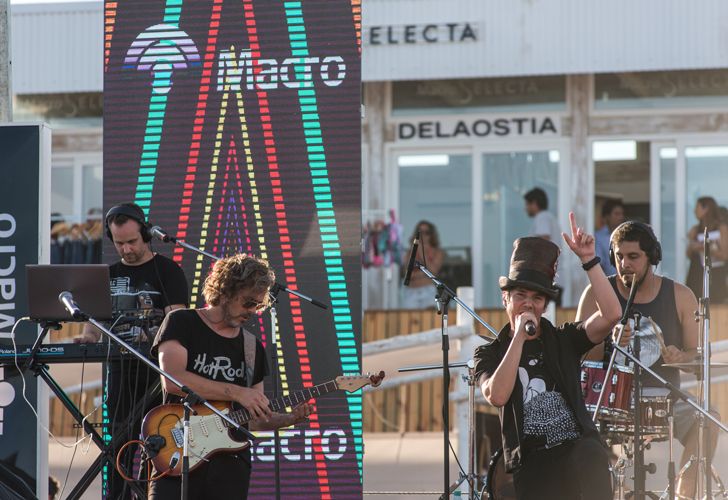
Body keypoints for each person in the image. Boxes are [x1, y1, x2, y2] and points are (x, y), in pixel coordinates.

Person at [474, 213, 621, 500]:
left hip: (575, 449)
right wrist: (517, 337)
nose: (528, 302)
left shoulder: (564, 338)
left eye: (537, 298)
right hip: (532, 460)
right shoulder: (489, 352)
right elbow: (497, 395)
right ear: (505, 298)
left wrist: (590, 261)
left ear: (544, 305)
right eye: (520, 295)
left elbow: (612, 315)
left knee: (591, 452)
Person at [149, 253, 313, 499]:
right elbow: (172, 380)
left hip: (229, 468)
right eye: (248, 302)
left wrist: (288, 419)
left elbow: (252, 419)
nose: (253, 311)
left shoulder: (251, 346)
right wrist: (236, 391)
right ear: (225, 291)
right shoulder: (181, 321)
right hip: (177, 455)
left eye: (258, 305)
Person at [577, 220, 718, 499]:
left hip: (665, 402)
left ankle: (683, 493)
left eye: (633, 257)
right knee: (571, 427)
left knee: (709, 419)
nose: (624, 264)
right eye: (618, 257)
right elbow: (579, 355)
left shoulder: (680, 295)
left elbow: (697, 356)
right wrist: (608, 337)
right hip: (608, 401)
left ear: (652, 257)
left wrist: (681, 356)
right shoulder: (596, 293)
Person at [75, 202, 189, 499]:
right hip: (120, 369)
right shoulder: (106, 275)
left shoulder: (168, 272)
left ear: (147, 236)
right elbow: (94, 324)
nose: (126, 249)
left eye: (132, 242)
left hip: (158, 371)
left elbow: (177, 321)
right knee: (118, 444)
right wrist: (88, 338)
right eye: (119, 243)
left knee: (158, 442)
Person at [685, 196, 728, 303]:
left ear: (706, 209)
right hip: (697, 273)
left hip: (715, 274)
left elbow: (724, 255)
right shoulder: (695, 229)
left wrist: (705, 247)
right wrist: (692, 245)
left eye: (697, 207)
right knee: (694, 303)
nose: (695, 211)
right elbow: (689, 255)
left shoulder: (721, 228)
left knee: (715, 303)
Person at [401, 220, 445, 309]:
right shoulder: (410, 252)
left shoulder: (437, 252)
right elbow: (407, 275)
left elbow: (433, 271)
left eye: (426, 232)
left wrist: (421, 251)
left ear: (431, 235)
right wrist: (423, 274)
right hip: (411, 291)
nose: (423, 235)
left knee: (431, 318)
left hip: (428, 290)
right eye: (420, 232)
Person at [594, 199, 625, 276]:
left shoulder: (627, 235)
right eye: (617, 214)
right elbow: (598, 264)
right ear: (607, 216)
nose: (621, 217)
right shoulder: (598, 237)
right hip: (609, 283)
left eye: (622, 214)